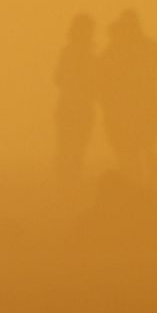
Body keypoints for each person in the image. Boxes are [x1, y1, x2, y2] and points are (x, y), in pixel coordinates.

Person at [96, 10, 157, 184]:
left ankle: (146, 184)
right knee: (135, 147)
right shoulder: (115, 48)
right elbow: (102, 76)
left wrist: (146, 76)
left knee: (143, 146)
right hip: (126, 105)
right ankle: (139, 183)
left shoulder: (145, 46)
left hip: (140, 103)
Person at [53, 13, 97, 185]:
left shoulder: (69, 51)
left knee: (68, 143)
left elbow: (57, 78)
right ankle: (70, 178)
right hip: (79, 106)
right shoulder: (84, 53)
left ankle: (67, 178)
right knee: (76, 143)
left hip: (69, 105)